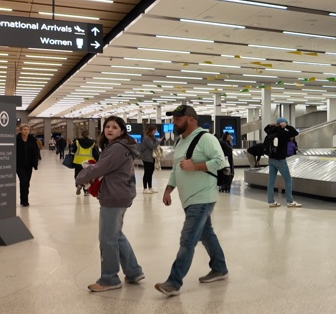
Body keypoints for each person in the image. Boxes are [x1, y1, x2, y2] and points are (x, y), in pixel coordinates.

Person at [155, 105, 229, 297]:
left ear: (191, 120)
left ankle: (173, 282)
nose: (174, 122)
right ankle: (220, 268)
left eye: (178, 119)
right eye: (174, 119)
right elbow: (176, 169)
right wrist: (168, 189)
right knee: (206, 234)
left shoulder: (206, 138)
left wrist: (195, 166)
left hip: (202, 197)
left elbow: (220, 161)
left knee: (187, 239)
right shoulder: (181, 142)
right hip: (188, 198)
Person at [75, 116, 144, 292]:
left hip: (114, 194)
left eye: (114, 127)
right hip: (122, 192)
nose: (110, 129)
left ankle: (109, 278)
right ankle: (133, 271)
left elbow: (101, 168)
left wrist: (81, 176)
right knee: (116, 234)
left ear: (122, 131)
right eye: (107, 126)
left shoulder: (117, 148)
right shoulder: (123, 146)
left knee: (107, 238)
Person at [263, 117, 302, 208]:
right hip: (280, 160)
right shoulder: (283, 133)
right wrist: (286, 126)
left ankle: (271, 201)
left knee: (271, 181)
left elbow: (266, 129)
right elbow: (295, 133)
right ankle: (290, 201)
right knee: (288, 180)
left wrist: (270, 125)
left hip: (271, 159)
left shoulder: (271, 132)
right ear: (283, 124)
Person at [15, 124, 40, 207]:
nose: (26, 131)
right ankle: (24, 200)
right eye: (24, 129)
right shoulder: (16, 139)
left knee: (27, 182)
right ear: (21, 131)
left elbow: (36, 152)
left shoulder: (32, 140)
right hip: (19, 164)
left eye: (28, 130)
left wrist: (35, 163)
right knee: (23, 180)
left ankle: (24, 199)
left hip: (29, 164)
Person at [71, 130, 99, 196]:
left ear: (82, 134)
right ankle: (86, 191)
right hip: (88, 163)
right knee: (87, 176)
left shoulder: (77, 141)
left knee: (78, 175)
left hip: (78, 161)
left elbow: (73, 151)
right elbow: (96, 153)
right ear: (88, 134)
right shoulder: (93, 143)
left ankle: (78, 184)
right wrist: (98, 160)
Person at [139, 125, 159, 194]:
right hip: (147, 158)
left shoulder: (152, 138)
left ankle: (150, 187)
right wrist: (158, 141)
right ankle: (145, 188)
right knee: (147, 172)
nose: (155, 132)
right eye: (154, 131)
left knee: (150, 172)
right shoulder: (147, 138)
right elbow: (152, 146)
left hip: (152, 157)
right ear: (151, 130)